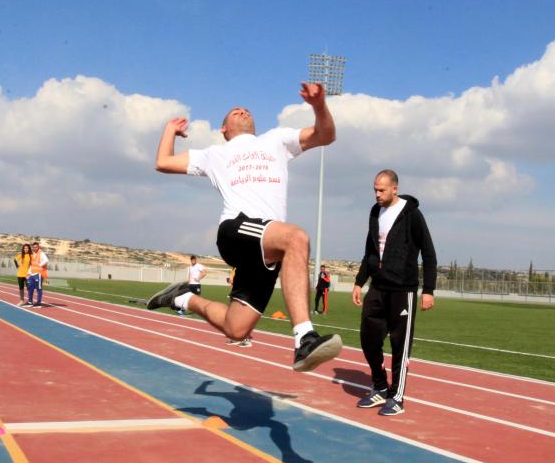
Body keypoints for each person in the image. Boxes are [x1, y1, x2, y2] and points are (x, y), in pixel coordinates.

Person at [147, 82, 341, 373]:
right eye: (234, 112)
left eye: (246, 110)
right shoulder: (214, 154)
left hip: (266, 247)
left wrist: (318, 106)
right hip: (235, 232)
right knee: (296, 238)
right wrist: (169, 130)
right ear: (223, 130)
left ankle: (181, 298)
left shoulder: (277, 139)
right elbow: (163, 162)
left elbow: (325, 135)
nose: (242, 111)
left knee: (236, 329)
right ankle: (305, 338)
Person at [351, 170, 437, 417]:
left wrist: (428, 290)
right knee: (368, 339)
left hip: (403, 289)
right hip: (377, 287)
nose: (377, 194)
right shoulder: (375, 212)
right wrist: (359, 282)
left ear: (395, 189)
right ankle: (379, 387)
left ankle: (397, 397)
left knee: (400, 345)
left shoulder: (412, 215)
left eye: (381, 190)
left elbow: (429, 253)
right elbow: (370, 249)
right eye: (375, 190)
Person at [26, 241, 47, 306]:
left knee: (38, 288)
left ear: (38, 247)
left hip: (38, 274)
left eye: (36, 247)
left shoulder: (41, 253)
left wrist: (40, 265)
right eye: (34, 247)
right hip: (32, 274)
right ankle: (30, 301)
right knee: (30, 287)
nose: (35, 248)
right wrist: (28, 273)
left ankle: (38, 302)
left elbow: (46, 260)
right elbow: (32, 264)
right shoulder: (32, 254)